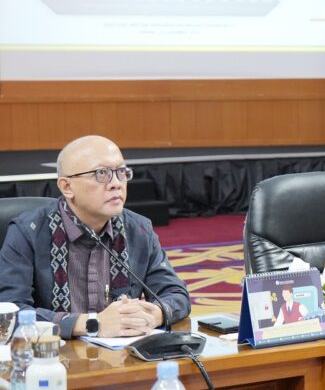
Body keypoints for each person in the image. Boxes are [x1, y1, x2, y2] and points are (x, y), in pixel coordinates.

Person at [0, 135, 190, 340]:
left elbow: (176, 295)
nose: (116, 183)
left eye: (121, 172)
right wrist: (91, 324)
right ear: (67, 187)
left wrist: (154, 314)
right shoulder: (28, 232)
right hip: (52, 358)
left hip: (123, 359)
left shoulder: (138, 229)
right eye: (101, 174)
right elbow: (10, 314)